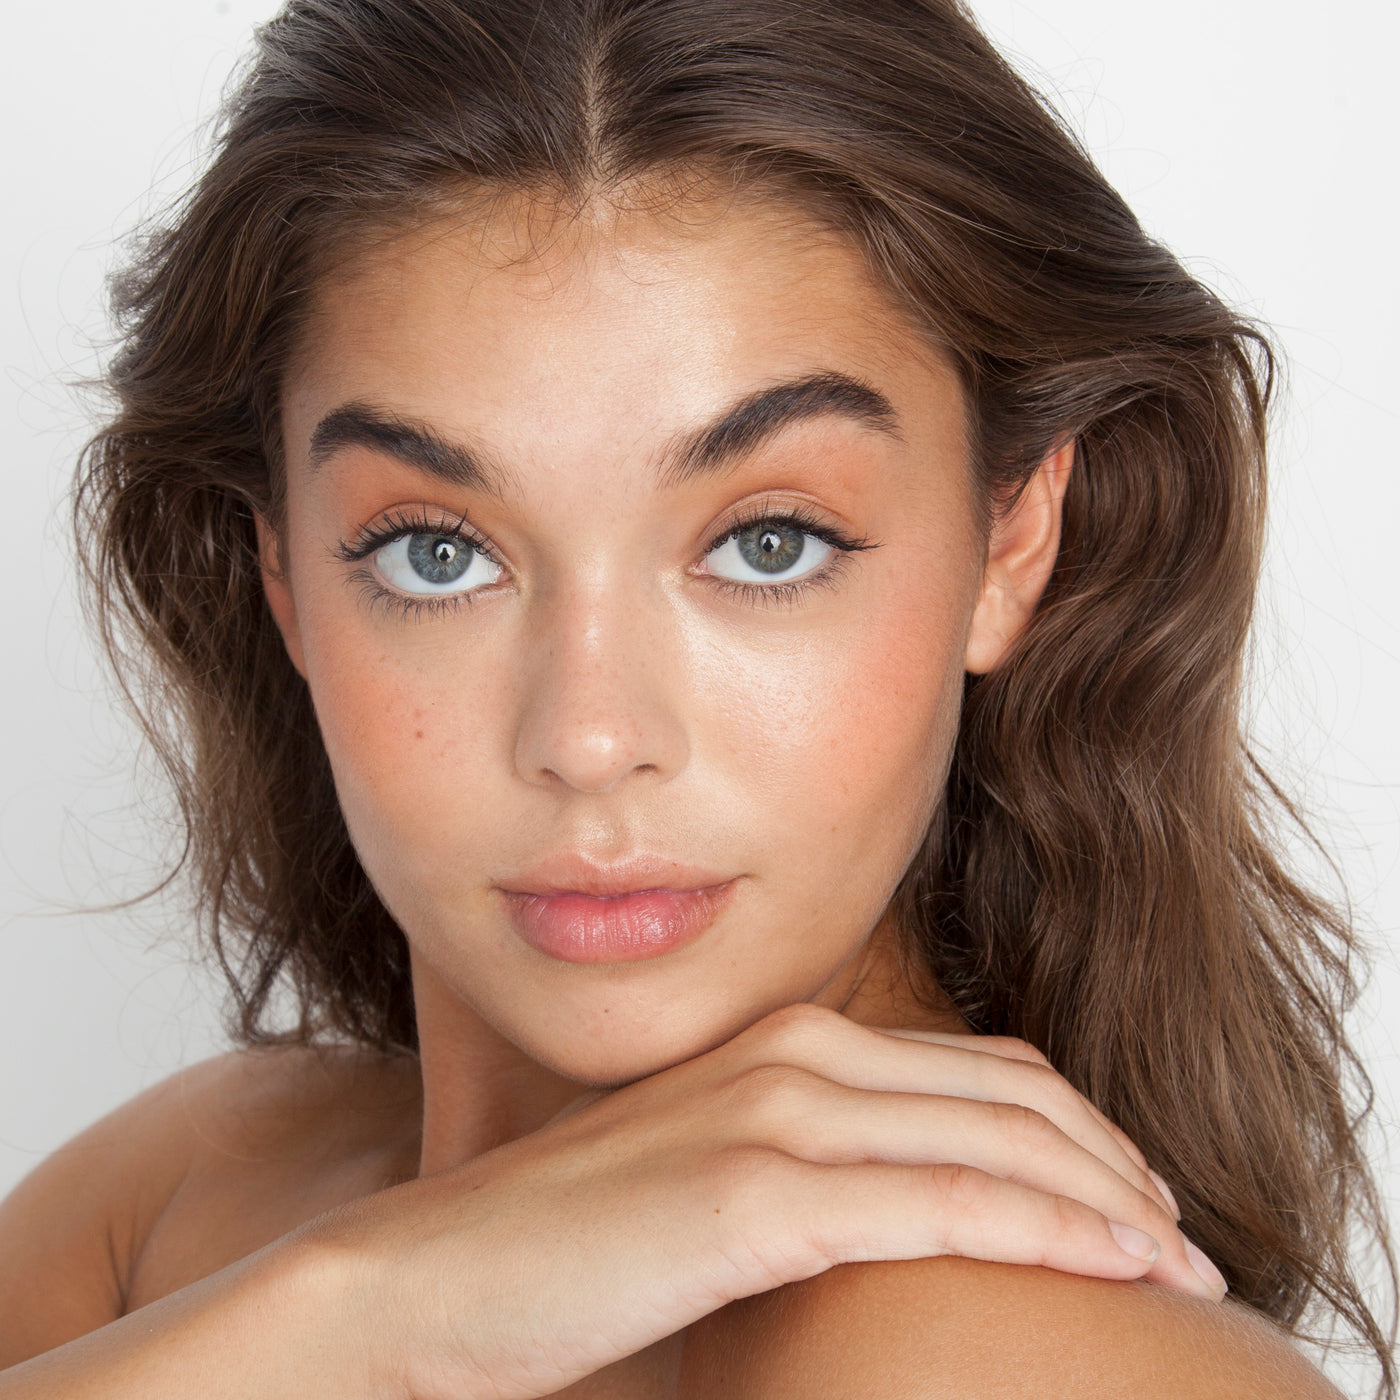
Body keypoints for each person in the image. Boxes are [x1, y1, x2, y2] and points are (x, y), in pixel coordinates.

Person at [0, 0, 1391, 1394]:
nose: (592, 739)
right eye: (438, 554)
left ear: (1011, 538)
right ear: (284, 570)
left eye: (766, 544)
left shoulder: (977, 1351)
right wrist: (377, 1305)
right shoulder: (198, 1188)